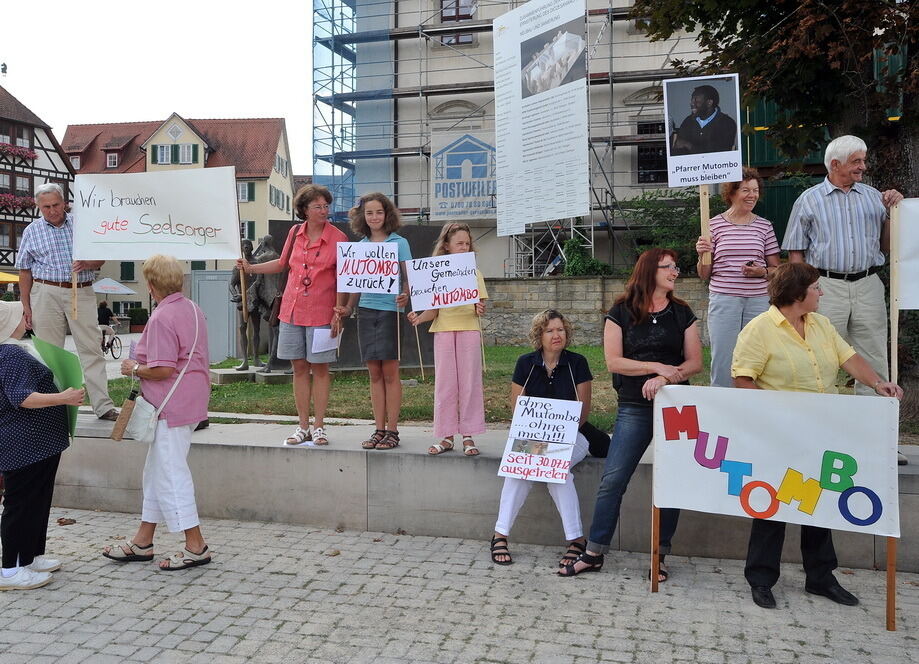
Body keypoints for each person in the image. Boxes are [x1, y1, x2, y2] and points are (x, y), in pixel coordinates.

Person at [731, 262, 903, 609]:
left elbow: (849, 358)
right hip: (778, 435)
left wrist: (877, 382)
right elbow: (742, 378)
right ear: (798, 294)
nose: (822, 292)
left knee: (821, 503)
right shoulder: (759, 329)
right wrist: (770, 414)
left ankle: (821, 578)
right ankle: (761, 579)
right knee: (773, 505)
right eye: (816, 288)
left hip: (823, 431)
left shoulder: (821, 324)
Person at [560, 248, 702, 580]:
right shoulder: (620, 312)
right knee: (613, 480)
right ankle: (594, 552)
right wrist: (654, 367)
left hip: (675, 406)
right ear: (650, 271)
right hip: (634, 407)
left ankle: (660, 555)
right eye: (669, 267)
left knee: (672, 483)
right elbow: (614, 362)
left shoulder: (682, 312)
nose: (675, 272)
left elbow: (695, 362)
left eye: (676, 267)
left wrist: (666, 377)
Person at [781, 135, 906, 463]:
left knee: (875, 360)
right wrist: (801, 292)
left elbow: (889, 246)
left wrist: (893, 211)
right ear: (835, 164)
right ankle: (820, 440)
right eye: (856, 161)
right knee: (819, 360)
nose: (863, 167)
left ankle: (878, 442)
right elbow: (796, 252)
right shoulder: (808, 200)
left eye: (863, 160)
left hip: (868, 283)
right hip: (825, 287)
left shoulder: (875, 199)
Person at [102, 255, 212, 570]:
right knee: (157, 472)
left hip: (169, 405)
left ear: (151, 286)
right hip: (188, 401)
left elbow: (162, 369)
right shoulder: (193, 308)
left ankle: (196, 545)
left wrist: (132, 366)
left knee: (171, 474)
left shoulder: (162, 317)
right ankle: (142, 540)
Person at [238, 184, 348, 446]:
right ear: (304, 210)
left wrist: (339, 312)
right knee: (298, 368)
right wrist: (251, 268)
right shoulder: (294, 232)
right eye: (318, 206)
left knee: (320, 369)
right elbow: (281, 263)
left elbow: (344, 278)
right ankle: (302, 426)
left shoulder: (339, 238)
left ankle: (319, 426)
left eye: (326, 206)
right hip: (292, 310)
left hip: (323, 312)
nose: (324, 211)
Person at [489, 310, 592, 566]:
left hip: (573, 437)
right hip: (533, 437)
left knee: (557, 470)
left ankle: (576, 540)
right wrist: (541, 445)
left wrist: (552, 445)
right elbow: (517, 409)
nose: (557, 335)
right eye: (550, 330)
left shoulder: (577, 363)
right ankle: (500, 535)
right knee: (519, 471)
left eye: (560, 330)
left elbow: (583, 411)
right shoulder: (526, 363)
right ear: (539, 335)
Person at [0, 300, 85, 590]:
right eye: (20, 315)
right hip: (24, 444)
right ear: (9, 323)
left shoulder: (12, 351)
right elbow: (21, 398)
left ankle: (30, 556)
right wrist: (64, 398)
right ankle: (10, 569)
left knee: (37, 501)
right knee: (20, 505)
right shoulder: (9, 353)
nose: (26, 318)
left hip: (37, 443)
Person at [15, 183, 117, 420]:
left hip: (79, 290)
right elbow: (24, 271)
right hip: (45, 291)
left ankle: (103, 406)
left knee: (91, 348)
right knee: (49, 353)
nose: (52, 211)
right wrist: (25, 306)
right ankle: (52, 408)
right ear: (39, 206)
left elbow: (101, 259)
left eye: (55, 205)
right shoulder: (32, 230)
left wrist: (88, 264)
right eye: (46, 207)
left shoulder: (83, 226)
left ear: (65, 203)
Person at [335, 193, 411, 450]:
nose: (374, 217)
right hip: (366, 312)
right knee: (374, 373)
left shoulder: (400, 243)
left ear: (387, 214)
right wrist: (347, 307)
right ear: (362, 217)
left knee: (390, 372)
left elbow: (408, 277)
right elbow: (356, 283)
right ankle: (378, 429)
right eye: (369, 213)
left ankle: (393, 431)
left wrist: (406, 294)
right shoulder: (360, 246)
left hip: (390, 313)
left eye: (379, 212)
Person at [407, 223, 488, 457]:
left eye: (467, 243)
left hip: (469, 331)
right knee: (446, 385)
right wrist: (419, 318)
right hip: (443, 332)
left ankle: (469, 434)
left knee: (470, 384)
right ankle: (446, 435)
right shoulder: (437, 274)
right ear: (447, 247)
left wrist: (480, 308)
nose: (464, 247)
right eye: (459, 243)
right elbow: (433, 311)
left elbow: (480, 306)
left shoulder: (475, 273)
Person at [695, 168, 780, 387]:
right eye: (746, 190)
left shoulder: (765, 226)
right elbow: (704, 274)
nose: (752, 195)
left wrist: (761, 272)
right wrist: (701, 255)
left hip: (758, 301)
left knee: (756, 356)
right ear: (731, 193)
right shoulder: (712, 225)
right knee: (724, 357)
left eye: (755, 190)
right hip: (724, 300)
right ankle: (721, 406)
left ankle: (753, 406)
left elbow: (777, 270)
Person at [671, 84, 737, 155]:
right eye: (692, 100)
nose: (691, 104)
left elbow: (720, 154)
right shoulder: (688, 122)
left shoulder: (727, 123)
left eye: (696, 101)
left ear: (709, 103)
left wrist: (689, 146)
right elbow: (679, 150)